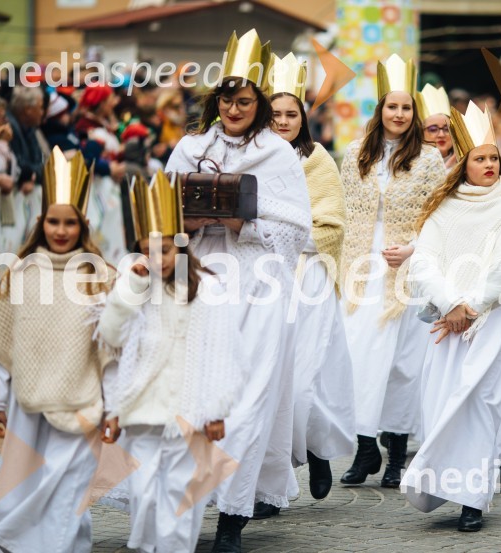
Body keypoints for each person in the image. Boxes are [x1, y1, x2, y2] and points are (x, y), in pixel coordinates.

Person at [164, 29, 312, 553]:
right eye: (226, 98)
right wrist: (191, 221)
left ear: (260, 103)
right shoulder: (190, 147)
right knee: (195, 392)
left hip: (258, 284)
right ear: (216, 100)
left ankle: (232, 515)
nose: (233, 107)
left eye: (244, 99)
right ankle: (181, 501)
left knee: (246, 397)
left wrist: (241, 225)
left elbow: (298, 232)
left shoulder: (278, 154)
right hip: (202, 281)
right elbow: (163, 215)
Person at [0, 147, 113, 552]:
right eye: (53, 221)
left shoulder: (98, 277)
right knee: (19, 482)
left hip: (82, 401)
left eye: (70, 222)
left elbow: (110, 347)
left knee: (68, 490)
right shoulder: (23, 272)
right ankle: (9, 540)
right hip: (29, 403)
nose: (61, 230)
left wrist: (115, 405)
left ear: (82, 225)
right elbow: (3, 344)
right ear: (41, 222)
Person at [97, 171, 243, 552]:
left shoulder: (208, 288)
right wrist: (130, 288)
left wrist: (216, 409)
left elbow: (223, 350)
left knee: (180, 494)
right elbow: (112, 340)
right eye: (148, 249)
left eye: (164, 249)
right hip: (143, 407)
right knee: (144, 495)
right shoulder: (135, 288)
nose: (156, 258)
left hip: (190, 406)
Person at [401, 101, 501, 532]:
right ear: (464, 163)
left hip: (492, 316)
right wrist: (451, 304)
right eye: (481, 158)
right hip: (447, 316)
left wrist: (471, 308)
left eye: (494, 157)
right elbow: (424, 261)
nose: (490, 165)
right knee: (443, 395)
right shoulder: (446, 204)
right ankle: (443, 482)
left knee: (482, 399)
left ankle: (473, 497)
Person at [252, 53, 355, 518]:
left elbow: (331, 226)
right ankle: (269, 480)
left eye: (291, 114)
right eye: (275, 114)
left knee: (304, 378)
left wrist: (283, 235)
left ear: (303, 119)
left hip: (307, 278)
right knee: (265, 381)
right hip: (258, 277)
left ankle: (315, 449)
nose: (283, 122)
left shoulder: (318, 162)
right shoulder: (247, 158)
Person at [338, 54, 447, 488]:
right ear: (380, 109)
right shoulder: (354, 155)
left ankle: (397, 452)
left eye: (406, 108)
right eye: (391, 106)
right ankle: (365, 448)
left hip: (409, 269)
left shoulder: (428, 160)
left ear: (414, 114)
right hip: (364, 267)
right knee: (360, 356)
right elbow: (346, 211)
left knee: (404, 363)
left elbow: (438, 217)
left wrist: (414, 249)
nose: (398, 114)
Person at [416, 84, 456, 168]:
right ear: (420, 133)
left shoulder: (465, 165)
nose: (441, 135)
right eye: (433, 129)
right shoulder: (411, 165)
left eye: (447, 129)